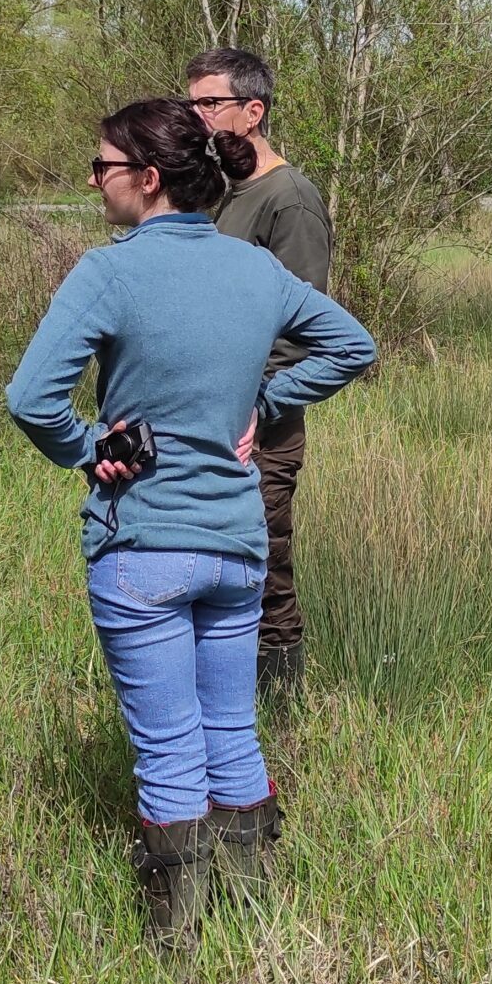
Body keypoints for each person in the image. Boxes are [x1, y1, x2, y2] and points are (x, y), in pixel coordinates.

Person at [5, 98, 375, 948]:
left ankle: (178, 944)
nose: (93, 182)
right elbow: (352, 345)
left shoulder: (110, 270)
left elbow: (29, 400)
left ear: (146, 177)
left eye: (101, 167)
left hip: (144, 549)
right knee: (232, 734)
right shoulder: (253, 270)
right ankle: (256, 924)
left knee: (171, 752)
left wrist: (86, 446)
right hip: (237, 549)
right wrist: (265, 400)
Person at [186, 48, 334, 691]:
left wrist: (258, 405)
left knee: (263, 570)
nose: (197, 116)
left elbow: (305, 330)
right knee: (206, 570)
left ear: (254, 111)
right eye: (190, 103)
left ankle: (278, 714)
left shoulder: (289, 200)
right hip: (204, 422)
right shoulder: (220, 190)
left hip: (261, 434)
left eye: (209, 104)